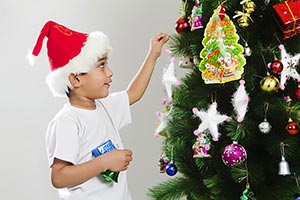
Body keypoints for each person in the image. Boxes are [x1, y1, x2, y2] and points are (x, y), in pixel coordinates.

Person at [28, 20, 169, 200]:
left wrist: (153, 55)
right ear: (76, 79)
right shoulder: (68, 122)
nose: (110, 72)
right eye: (101, 65)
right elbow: (59, 176)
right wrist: (104, 162)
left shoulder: (105, 106)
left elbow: (133, 93)